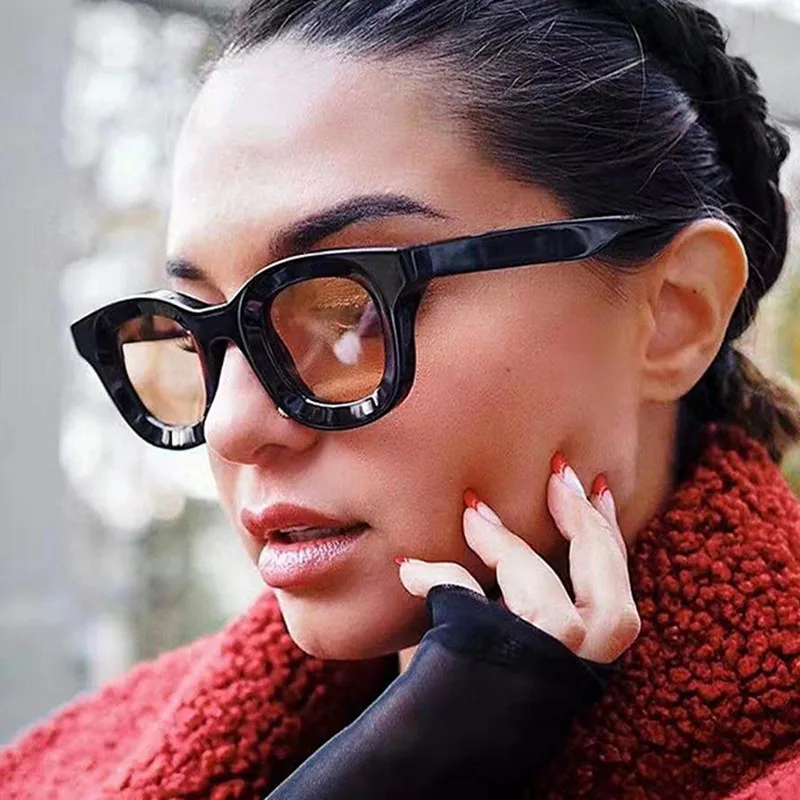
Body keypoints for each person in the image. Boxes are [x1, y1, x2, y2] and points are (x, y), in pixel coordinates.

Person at [3, 0, 800, 797]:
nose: (232, 425)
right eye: (195, 335)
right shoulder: (55, 772)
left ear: (677, 314)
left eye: (345, 312)